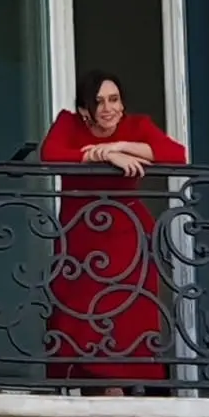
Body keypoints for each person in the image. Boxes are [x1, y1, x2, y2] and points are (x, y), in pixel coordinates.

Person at [39, 69, 187, 395]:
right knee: (81, 310)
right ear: (84, 110)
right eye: (99, 102)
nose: (109, 108)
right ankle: (94, 384)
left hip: (126, 235)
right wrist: (103, 153)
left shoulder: (137, 126)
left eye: (114, 99)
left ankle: (118, 387)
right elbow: (50, 155)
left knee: (126, 312)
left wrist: (122, 145)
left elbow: (177, 154)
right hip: (81, 234)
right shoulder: (69, 123)